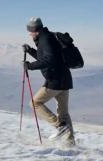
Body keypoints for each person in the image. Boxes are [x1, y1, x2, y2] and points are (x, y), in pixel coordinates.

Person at [23, 17, 75, 146]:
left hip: (55, 81)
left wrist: (30, 66)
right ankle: (70, 144)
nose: (29, 34)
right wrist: (30, 51)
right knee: (63, 113)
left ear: (35, 30)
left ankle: (59, 126)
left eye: (30, 31)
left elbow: (49, 60)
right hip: (65, 80)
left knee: (35, 103)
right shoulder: (48, 37)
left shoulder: (45, 40)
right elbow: (46, 57)